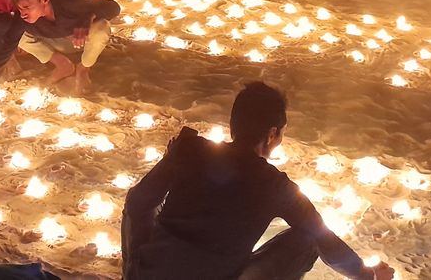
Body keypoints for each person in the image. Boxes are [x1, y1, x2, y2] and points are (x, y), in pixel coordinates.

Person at [122, 81, 394, 280]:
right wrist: (365, 275)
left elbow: (137, 203)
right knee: (308, 239)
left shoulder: (189, 150)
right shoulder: (276, 186)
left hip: (151, 271)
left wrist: (142, 259)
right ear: (272, 134)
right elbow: (324, 238)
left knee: (140, 202)